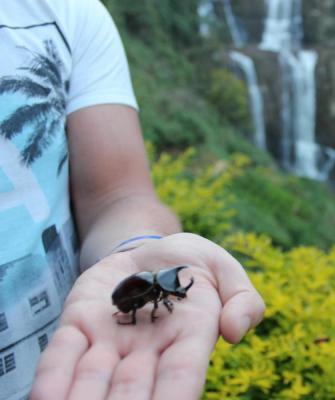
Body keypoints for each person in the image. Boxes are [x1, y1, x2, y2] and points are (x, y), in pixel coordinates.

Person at [0, 1, 265, 399]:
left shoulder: (65, 14)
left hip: (70, 375)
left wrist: (140, 244)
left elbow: (117, 197)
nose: (172, 295)